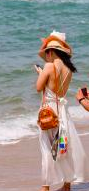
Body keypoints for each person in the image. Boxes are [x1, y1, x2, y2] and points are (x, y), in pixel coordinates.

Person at [35, 31, 89, 191]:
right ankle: (67, 184)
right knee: (63, 147)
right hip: (63, 112)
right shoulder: (69, 69)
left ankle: (45, 187)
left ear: (51, 51)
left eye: (47, 52)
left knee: (47, 148)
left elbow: (39, 87)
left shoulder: (49, 66)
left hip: (49, 111)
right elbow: (58, 88)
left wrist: (40, 74)